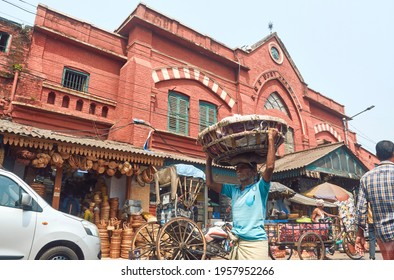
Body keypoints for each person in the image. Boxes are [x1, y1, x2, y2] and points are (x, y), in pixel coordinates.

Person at [205, 127, 279, 260]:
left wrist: (271, 139)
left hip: (255, 245)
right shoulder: (233, 190)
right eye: (236, 168)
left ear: (252, 172)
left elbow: (270, 167)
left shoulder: (260, 188)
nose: (238, 170)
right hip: (238, 243)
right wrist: (208, 160)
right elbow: (210, 183)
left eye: (242, 167)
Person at [355, 140, 394, 260]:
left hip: (383, 233)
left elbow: (361, 210)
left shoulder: (366, 178)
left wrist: (359, 234)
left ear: (377, 155)